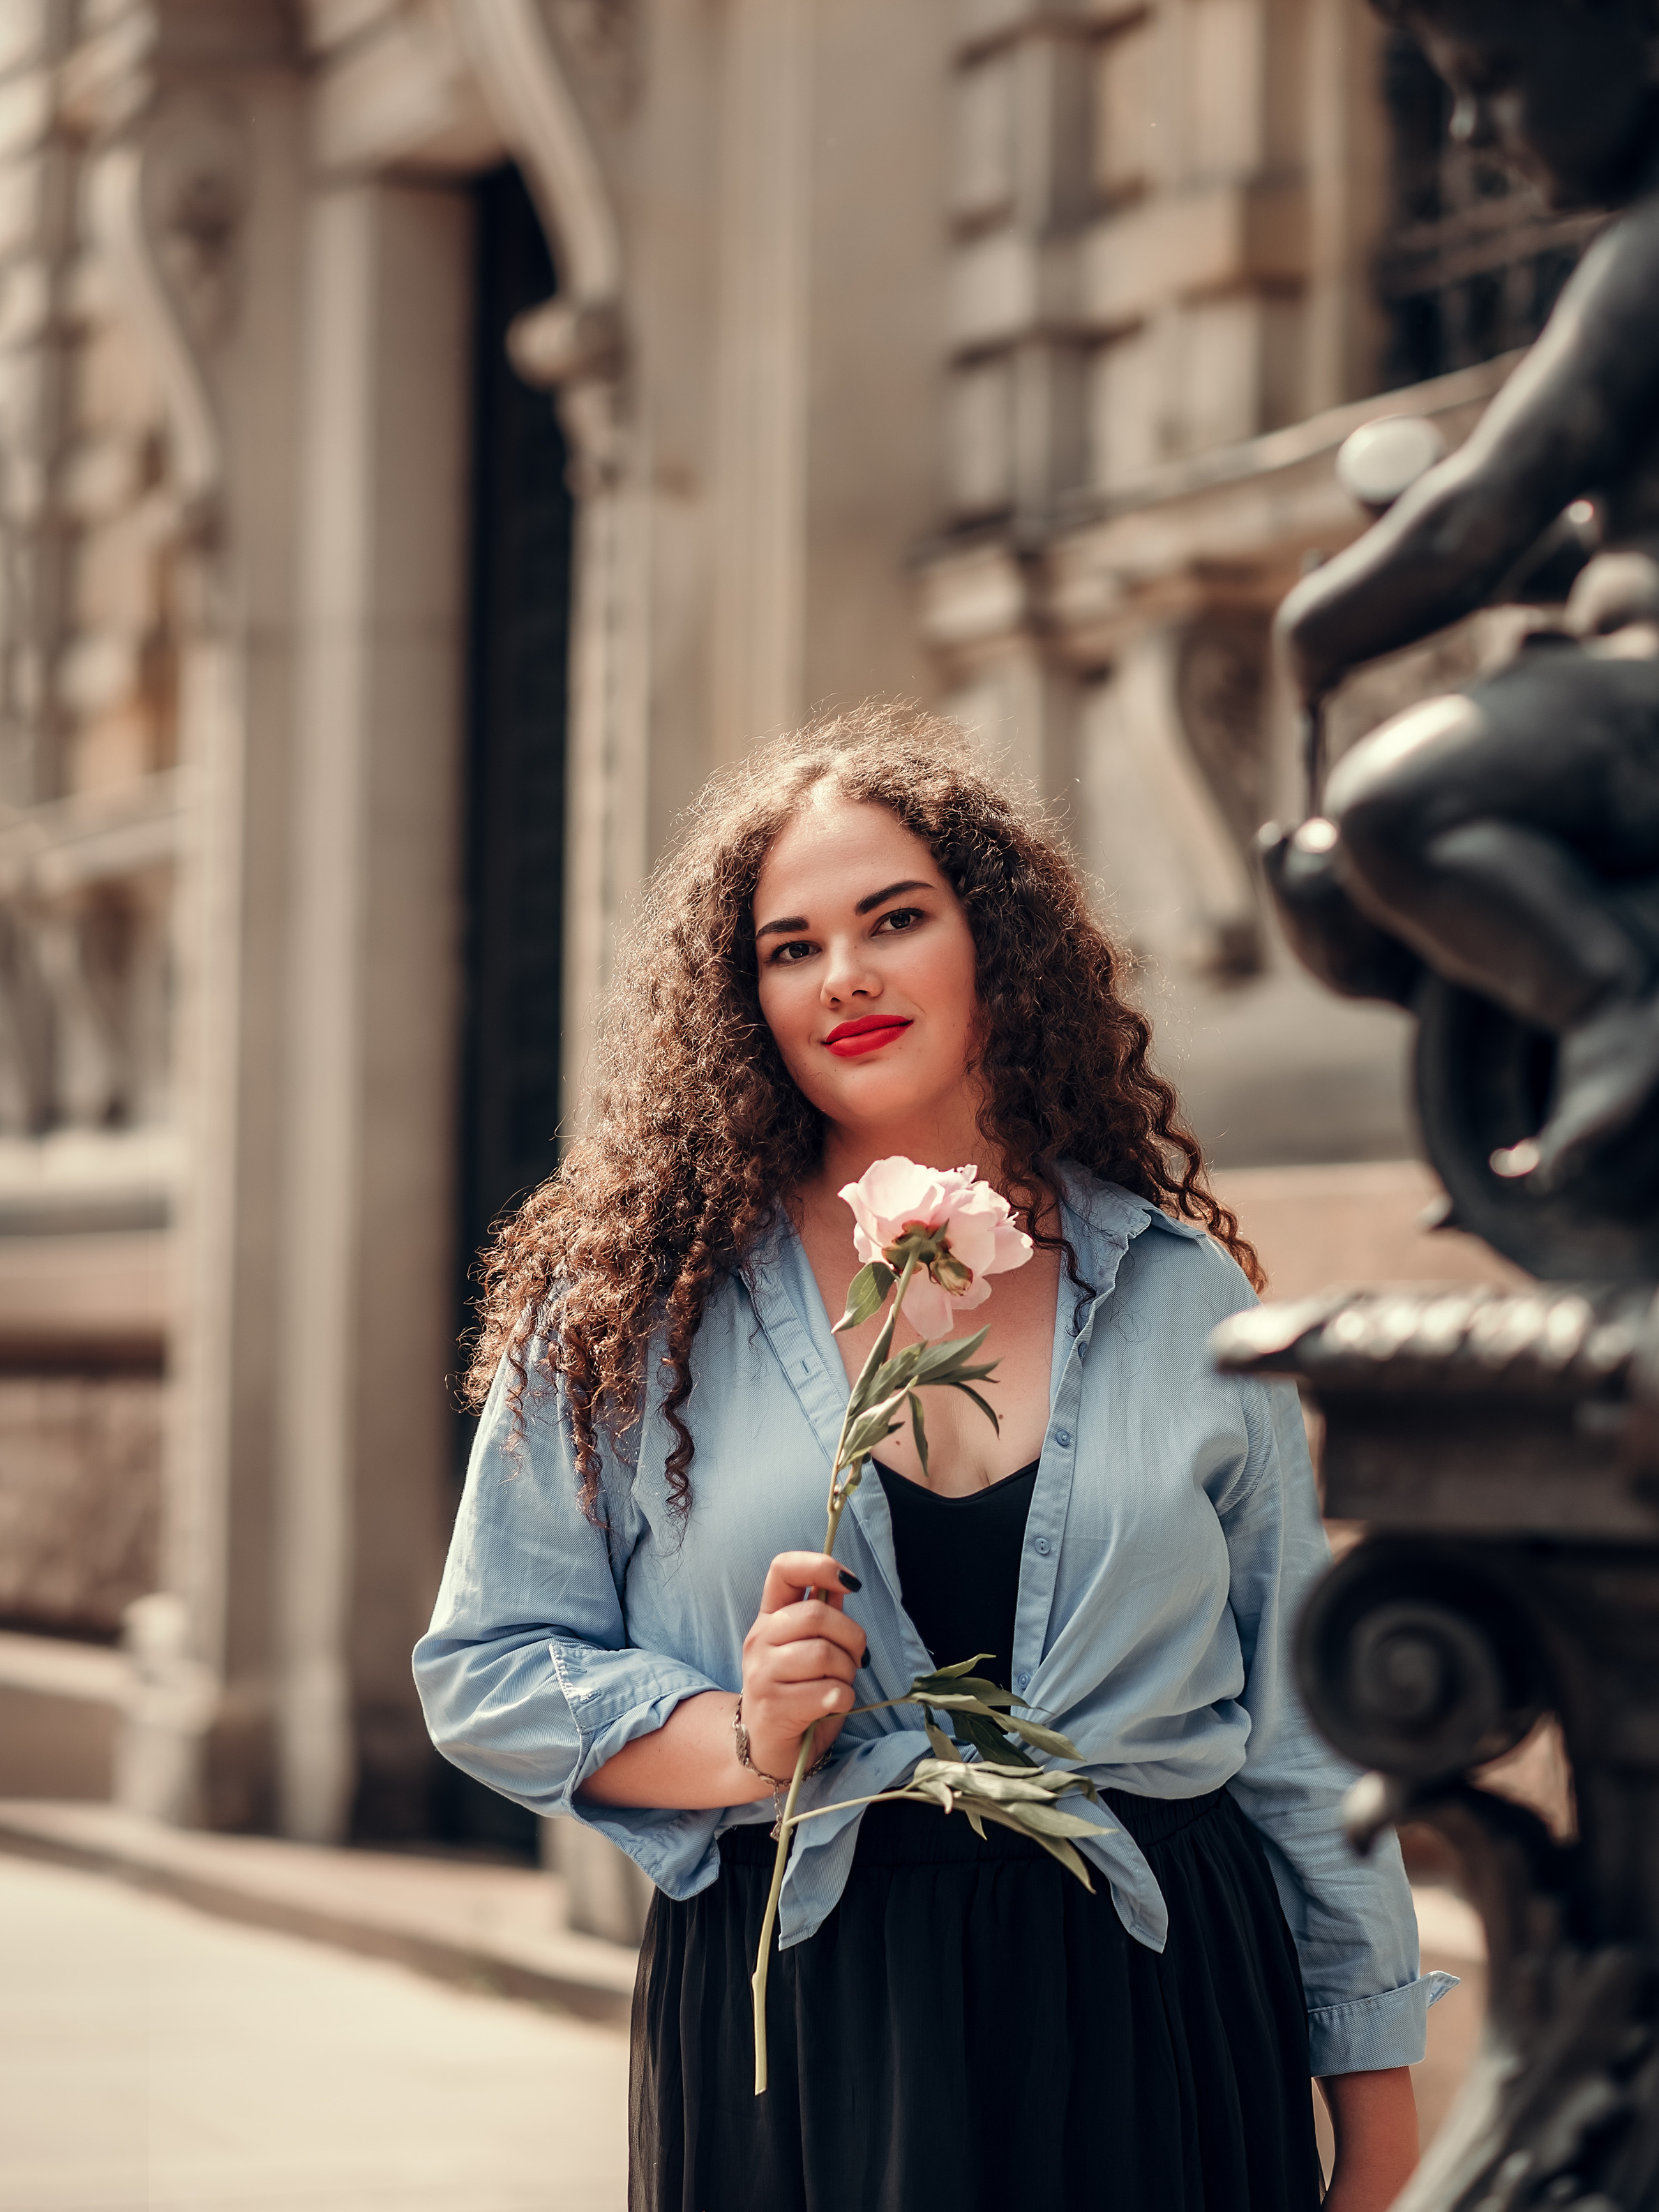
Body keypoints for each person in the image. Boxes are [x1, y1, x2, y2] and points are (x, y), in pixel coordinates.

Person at [415, 712, 1449, 2212]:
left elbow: (1299, 1732)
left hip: (1160, 2006)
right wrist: (737, 1737)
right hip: (814, 2020)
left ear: (997, 947)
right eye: (789, 945)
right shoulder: (628, 1307)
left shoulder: (1176, 1293)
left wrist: (1375, 2120)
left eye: (893, 919)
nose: (842, 974)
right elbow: (485, 1666)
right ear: (741, 995)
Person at [1276, 0, 1659, 1188]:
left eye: (1492, 78)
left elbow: (1490, 503)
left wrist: (1323, 625)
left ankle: (1622, 993)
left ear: (1652, 30)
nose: (1470, 133)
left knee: (1401, 803)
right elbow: (1640, 519)